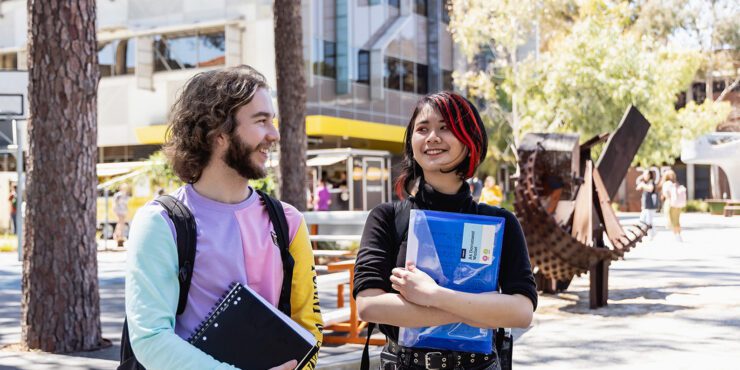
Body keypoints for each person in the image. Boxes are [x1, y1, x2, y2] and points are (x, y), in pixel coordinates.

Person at [124, 65, 322, 370]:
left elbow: (308, 328)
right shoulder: (161, 223)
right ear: (218, 131)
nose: (274, 134)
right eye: (261, 121)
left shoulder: (288, 222)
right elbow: (150, 339)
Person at [353, 91, 537, 369]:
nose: (432, 137)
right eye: (422, 129)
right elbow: (369, 306)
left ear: (470, 139)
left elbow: (521, 311)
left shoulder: (500, 223)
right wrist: (479, 309)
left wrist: (433, 296)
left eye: (445, 128)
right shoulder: (387, 218)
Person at [660, 169, 686, 242]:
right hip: (678, 204)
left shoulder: (667, 183)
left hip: (670, 203)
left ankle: (677, 235)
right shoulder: (676, 183)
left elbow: (666, 194)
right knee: (677, 220)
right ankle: (678, 235)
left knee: (671, 220)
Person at [635, 170, 659, 240]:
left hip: (650, 205)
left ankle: (652, 234)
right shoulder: (645, 183)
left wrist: (643, 185)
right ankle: (652, 232)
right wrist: (641, 184)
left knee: (648, 221)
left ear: (649, 175)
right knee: (642, 220)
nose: (644, 176)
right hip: (646, 206)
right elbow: (637, 188)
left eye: (645, 174)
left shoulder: (651, 182)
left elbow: (651, 189)